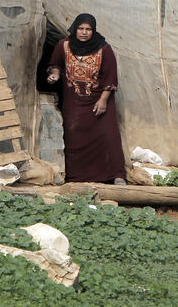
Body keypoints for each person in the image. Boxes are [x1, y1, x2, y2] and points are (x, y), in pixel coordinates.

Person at [46, 14, 127, 185]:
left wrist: (103, 100)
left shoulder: (104, 49)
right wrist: (55, 75)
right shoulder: (64, 45)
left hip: (99, 101)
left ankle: (116, 175)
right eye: (81, 29)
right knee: (75, 139)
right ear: (75, 29)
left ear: (93, 30)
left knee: (108, 136)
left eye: (88, 29)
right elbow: (56, 65)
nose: (84, 32)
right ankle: (76, 178)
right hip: (74, 103)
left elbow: (110, 77)